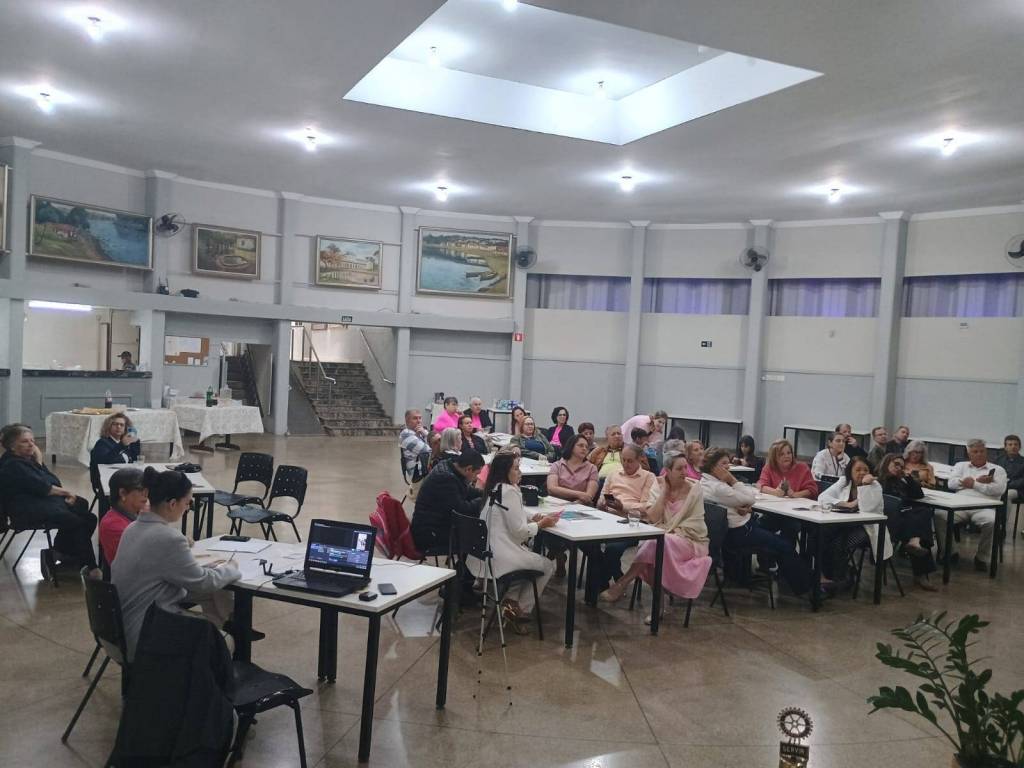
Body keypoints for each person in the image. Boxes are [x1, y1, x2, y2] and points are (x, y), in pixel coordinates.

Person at [112, 467, 244, 659]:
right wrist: (232, 568)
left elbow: (179, 573)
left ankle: (218, 629)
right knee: (225, 642)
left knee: (212, 596)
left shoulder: (132, 527)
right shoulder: (168, 538)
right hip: (143, 635)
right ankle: (213, 647)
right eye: (187, 502)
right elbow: (203, 582)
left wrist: (208, 570)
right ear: (172, 504)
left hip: (121, 627)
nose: (188, 507)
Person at [602, 454, 712, 623]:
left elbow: (696, 523)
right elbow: (653, 517)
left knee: (655, 542)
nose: (685, 472)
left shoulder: (694, 489)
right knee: (655, 547)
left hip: (690, 540)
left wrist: (672, 532)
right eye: (679, 469)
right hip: (663, 536)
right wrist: (664, 493)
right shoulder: (659, 485)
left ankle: (623, 582)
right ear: (668, 471)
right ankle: (658, 604)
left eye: (685, 467)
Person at [701, 447, 810, 595]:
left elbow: (734, 503)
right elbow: (750, 498)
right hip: (739, 532)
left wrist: (740, 506)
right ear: (713, 467)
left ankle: (774, 571)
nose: (728, 468)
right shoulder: (719, 487)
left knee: (775, 526)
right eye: (724, 464)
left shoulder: (704, 482)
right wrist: (732, 480)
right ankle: (805, 588)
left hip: (729, 532)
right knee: (784, 545)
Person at [470, 452, 558, 633]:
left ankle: (509, 603)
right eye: (516, 469)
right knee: (547, 566)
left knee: (524, 570)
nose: (520, 473)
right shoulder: (510, 491)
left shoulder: (495, 488)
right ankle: (520, 610)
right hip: (501, 557)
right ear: (505, 471)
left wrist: (531, 518)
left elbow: (508, 516)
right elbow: (520, 533)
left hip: (484, 555)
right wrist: (540, 524)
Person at [0, 424, 99, 582]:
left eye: (32, 441)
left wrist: (39, 462)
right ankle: (90, 566)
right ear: (12, 446)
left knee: (87, 515)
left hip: (38, 501)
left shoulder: (26, 460)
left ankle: (59, 553)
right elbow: (44, 487)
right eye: (25, 441)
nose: (31, 445)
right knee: (77, 521)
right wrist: (67, 493)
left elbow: (53, 481)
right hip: (26, 509)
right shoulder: (13, 464)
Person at [817, 456, 892, 587]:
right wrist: (846, 504)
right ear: (850, 472)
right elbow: (822, 497)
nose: (862, 473)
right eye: (858, 470)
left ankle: (840, 577)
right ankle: (826, 575)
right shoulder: (844, 481)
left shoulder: (875, 486)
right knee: (820, 536)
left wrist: (864, 486)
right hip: (844, 524)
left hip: (867, 528)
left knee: (839, 544)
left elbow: (866, 509)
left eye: (865, 470)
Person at [934, 439, 1008, 571]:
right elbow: (951, 484)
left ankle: (982, 558)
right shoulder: (960, 466)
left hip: (985, 508)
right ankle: (950, 552)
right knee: (939, 514)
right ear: (969, 454)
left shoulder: (998, 469)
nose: (979, 454)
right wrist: (976, 481)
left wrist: (974, 484)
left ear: (986, 452)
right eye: (975, 452)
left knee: (991, 521)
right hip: (959, 506)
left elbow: (998, 490)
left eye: (982, 451)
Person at [595, 445, 654, 590]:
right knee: (589, 545)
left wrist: (623, 507)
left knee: (613, 548)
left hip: (634, 523)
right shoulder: (613, 474)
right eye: (623, 460)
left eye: (630, 461)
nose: (626, 464)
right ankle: (617, 576)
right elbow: (601, 498)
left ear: (639, 460)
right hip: (608, 518)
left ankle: (601, 584)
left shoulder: (648, 477)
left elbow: (646, 508)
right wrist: (602, 504)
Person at [877, 454, 937, 590]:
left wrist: (909, 478)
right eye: (896, 464)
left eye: (901, 466)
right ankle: (921, 574)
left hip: (904, 518)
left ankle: (915, 542)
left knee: (923, 513)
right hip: (888, 521)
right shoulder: (879, 480)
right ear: (887, 463)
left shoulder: (901, 481)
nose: (898, 468)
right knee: (919, 522)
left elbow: (919, 495)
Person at [410, 449, 485, 557]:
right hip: (428, 535)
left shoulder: (450, 467)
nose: (476, 477)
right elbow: (462, 510)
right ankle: (463, 566)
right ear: (468, 469)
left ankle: (463, 564)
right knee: (476, 536)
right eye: (477, 473)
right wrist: (482, 501)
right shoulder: (445, 478)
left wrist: (485, 493)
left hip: (435, 525)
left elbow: (466, 491)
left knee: (473, 531)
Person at [757, 439, 814, 546]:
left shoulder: (802, 467)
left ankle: (787, 554)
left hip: (796, 514)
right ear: (774, 457)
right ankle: (767, 555)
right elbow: (761, 485)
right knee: (759, 526)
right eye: (781, 454)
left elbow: (812, 490)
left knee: (790, 528)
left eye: (789, 453)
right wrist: (775, 492)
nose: (787, 456)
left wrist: (795, 494)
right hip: (774, 513)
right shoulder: (769, 468)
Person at [90, 413, 141, 514]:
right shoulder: (102, 443)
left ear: (125, 428)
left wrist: (135, 444)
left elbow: (134, 461)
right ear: (109, 426)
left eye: (122, 425)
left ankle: (134, 517)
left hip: (125, 478)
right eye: (115, 424)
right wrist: (122, 445)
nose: (118, 427)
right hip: (105, 480)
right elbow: (105, 461)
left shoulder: (124, 442)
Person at [99, 467, 148, 564]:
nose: (146, 494)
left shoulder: (135, 514)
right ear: (123, 493)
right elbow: (144, 558)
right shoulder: (113, 526)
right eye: (141, 489)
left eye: (147, 489)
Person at [547, 435, 599, 504]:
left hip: (580, 505)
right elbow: (551, 488)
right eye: (580, 445)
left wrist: (572, 505)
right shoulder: (557, 465)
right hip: (556, 504)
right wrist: (579, 494)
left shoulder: (592, 468)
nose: (584, 448)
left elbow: (588, 496)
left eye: (586, 447)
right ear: (571, 447)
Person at [996, 435, 1023, 530]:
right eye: (1010, 444)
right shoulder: (999, 459)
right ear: (1005, 447)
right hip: (1000, 487)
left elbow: (1022, 481)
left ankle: (1002, 524)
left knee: (1006, 495)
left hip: (1017, 490)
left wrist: (1007, 485)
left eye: (1016, 444)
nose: (1013, 447)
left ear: (1019, 447)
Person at [399, 409, 431, 477]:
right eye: (415, 418)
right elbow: (428, 450)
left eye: (420, 418)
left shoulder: (420, 431)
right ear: (407, 421)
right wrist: (425, 434)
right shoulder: (406, 434)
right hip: (418, 473)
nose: (419, 421)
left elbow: (434, 442)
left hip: (425, 467)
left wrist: (424, 434)